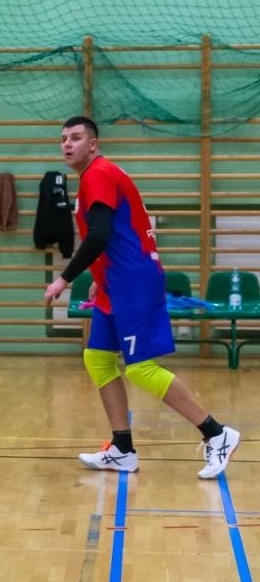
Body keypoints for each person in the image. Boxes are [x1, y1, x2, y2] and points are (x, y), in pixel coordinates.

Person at [42, 116, 240, 478]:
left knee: (140, 368)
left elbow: (99, 234)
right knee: (98, 357)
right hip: (117, 281)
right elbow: (120, 231)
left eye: (76, 137)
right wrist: (101, 276)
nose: (67, 144)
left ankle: (217, 433)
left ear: (93, 145)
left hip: (133, 282)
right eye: (63, 139)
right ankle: (122, 448)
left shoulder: (99, 173)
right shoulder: (95, 176)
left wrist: (64, 279)